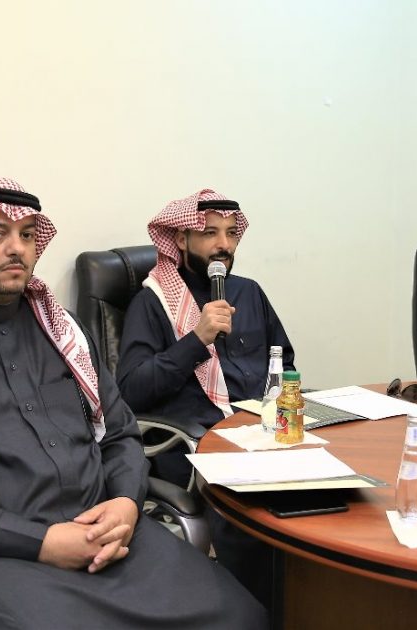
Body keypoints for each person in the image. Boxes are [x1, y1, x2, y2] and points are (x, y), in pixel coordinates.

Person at [0, 178, 265, 629]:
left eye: (27, 234)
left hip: (110, 535)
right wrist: (42, 541)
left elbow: (121, 433)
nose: (17, 248)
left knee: (242, 615)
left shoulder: (60, 331)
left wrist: (126, 502)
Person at [116, 187, 294, 607]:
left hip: (262, 433)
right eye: (210, 233)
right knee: (256, 519)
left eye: (231, 233)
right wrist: (196, 339)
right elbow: (131, 390)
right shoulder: (152, 302)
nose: (223, 245)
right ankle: (254, 612)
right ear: (180, 238)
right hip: (195, 444)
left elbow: (283, 361)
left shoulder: (249, 293)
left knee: (325, 499)